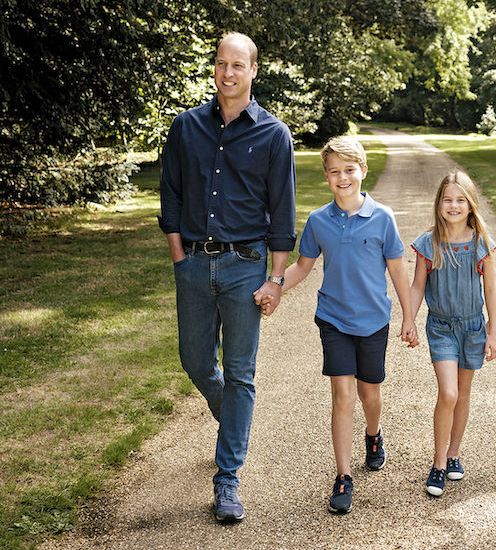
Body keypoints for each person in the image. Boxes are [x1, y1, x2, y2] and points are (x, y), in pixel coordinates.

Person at [158, 32, 296, 523]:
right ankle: (232, 421)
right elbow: (170, 196)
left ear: (254, 71)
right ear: (214, 68)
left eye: (238, 65)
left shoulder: (274, 135)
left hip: (245, 267)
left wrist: (276, 279)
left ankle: (227, 479)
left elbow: (282, 215)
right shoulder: (186, 127)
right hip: (193, 264)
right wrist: (179, 258)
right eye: (221, 64)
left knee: (240, 373)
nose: (228, 73)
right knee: (195, 361)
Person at [271, 136, 417, 514]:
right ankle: (342, 475)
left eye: (349, 170)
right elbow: (303, 267)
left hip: (373, 322)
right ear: (326, 177)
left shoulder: (383, 217)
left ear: (362, 171)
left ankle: (373, 435)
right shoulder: (319, 221)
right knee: (342, 395)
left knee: (370, 395)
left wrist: (409, 317)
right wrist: (274, 286)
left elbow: (398, 270)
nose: (342, 178)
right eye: (334, 172)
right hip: (334, 320)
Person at [409, 171, 496, 497]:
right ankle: (437, 464)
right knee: (447, 393)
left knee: (462, 393)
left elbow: (490, 289)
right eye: (447, 199)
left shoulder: (480, 243)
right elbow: (418, 285)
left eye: (460, 199)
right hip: (442, 327)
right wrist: (409, 318)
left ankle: (454, 453)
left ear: (471, 204)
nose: (453, 205)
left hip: (473, 327)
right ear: (439, 203)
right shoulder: (428, 243)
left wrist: (493, 331)